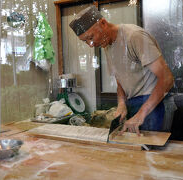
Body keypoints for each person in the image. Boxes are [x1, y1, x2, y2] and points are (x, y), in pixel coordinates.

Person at [69, 6, 174, 136]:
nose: (90, 44)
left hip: (155, 103)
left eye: (91, 37)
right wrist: (121, 104)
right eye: (85, 41)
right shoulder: (107, 44)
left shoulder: (134, 36)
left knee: (151, 152)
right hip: (134, 102)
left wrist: (141, 114)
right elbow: (120, 80)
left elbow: (167, 78)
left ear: (103, 23)